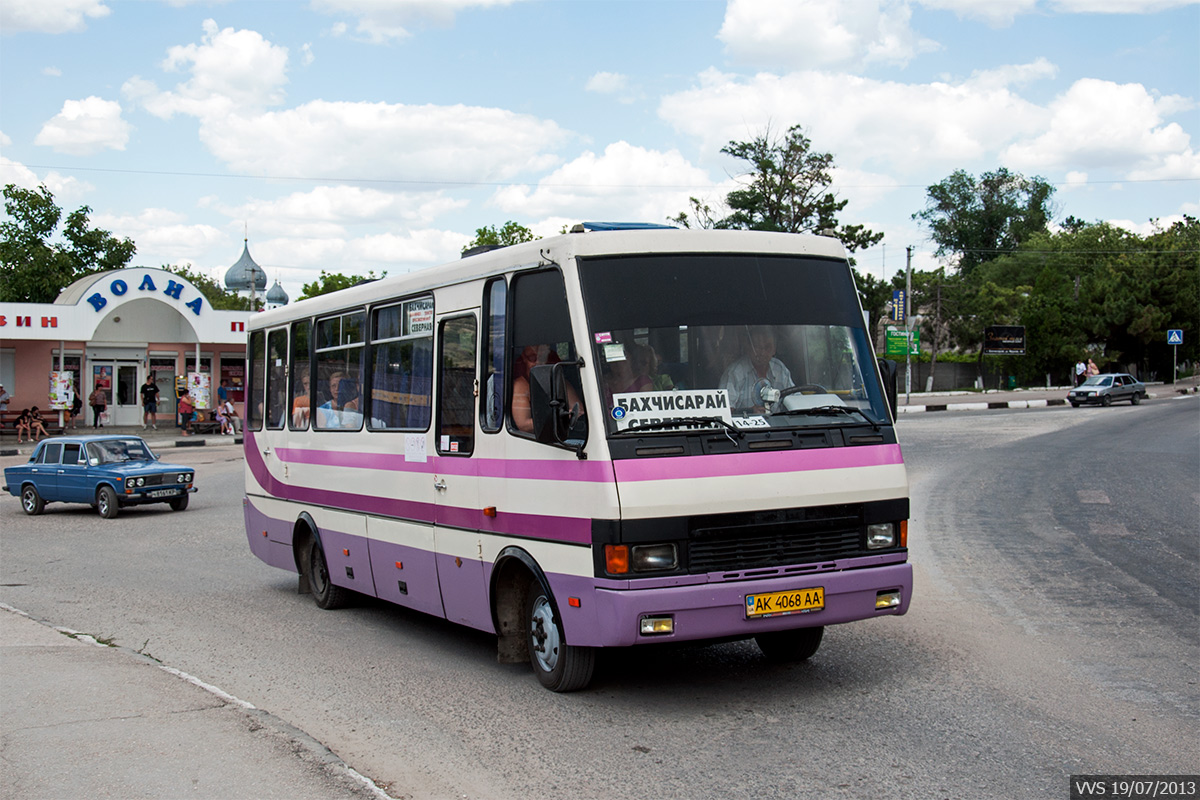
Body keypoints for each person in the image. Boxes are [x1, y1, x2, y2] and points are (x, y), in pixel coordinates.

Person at [720, 327, 794, 412]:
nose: (762, 353)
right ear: (748, 348)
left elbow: (795, 400)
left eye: (767, 347)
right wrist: (749, 412)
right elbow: (724, 411)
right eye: (757, 347)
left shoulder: (780, 369)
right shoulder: (735, 373)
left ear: (774, 349)